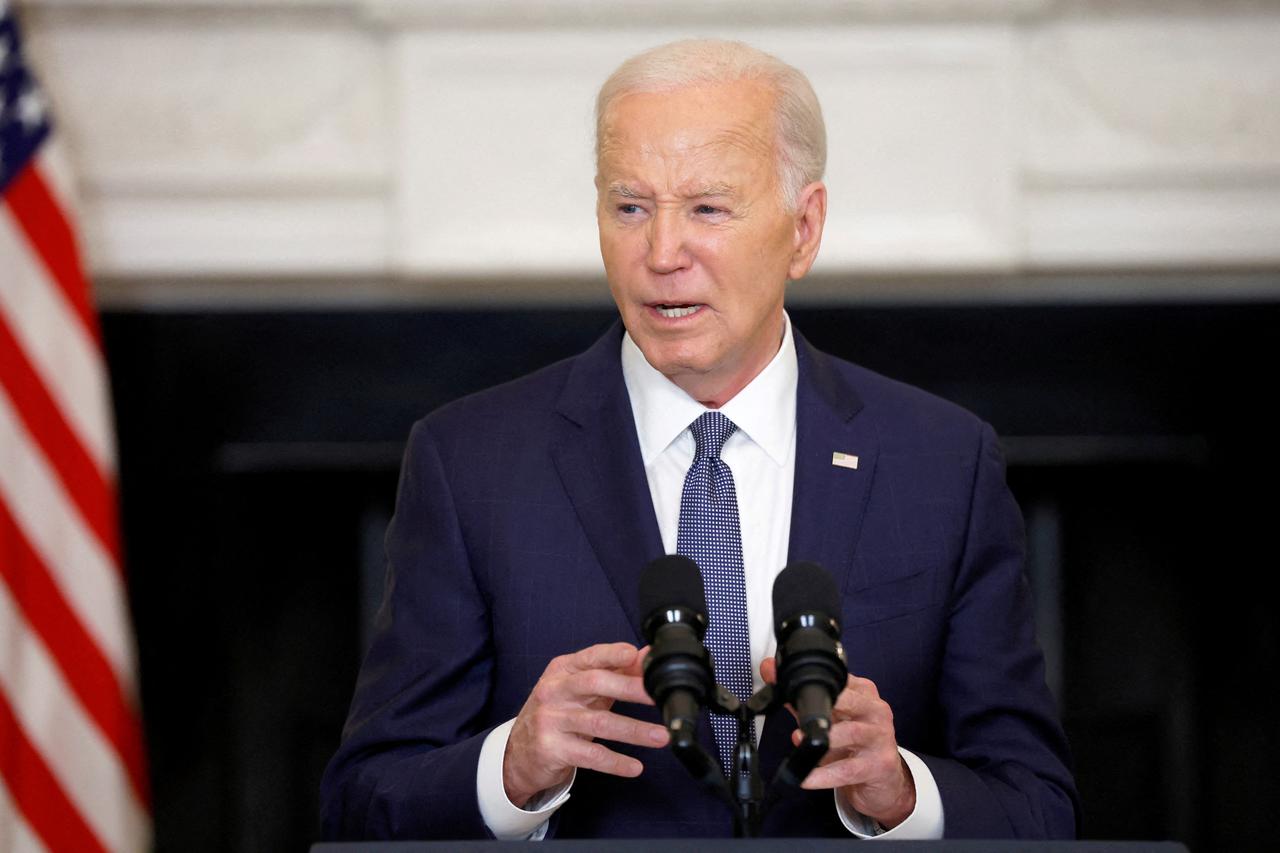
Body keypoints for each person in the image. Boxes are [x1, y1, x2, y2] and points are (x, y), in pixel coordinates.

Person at [320, 39, 1078, 840]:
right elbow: (360, 805)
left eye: (708, 208)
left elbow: (1038, 806)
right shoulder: (470, 462)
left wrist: (900, 794)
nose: (662, 254)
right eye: (630, 207)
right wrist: (508, 769)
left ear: (804, 228)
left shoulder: (941, 464)